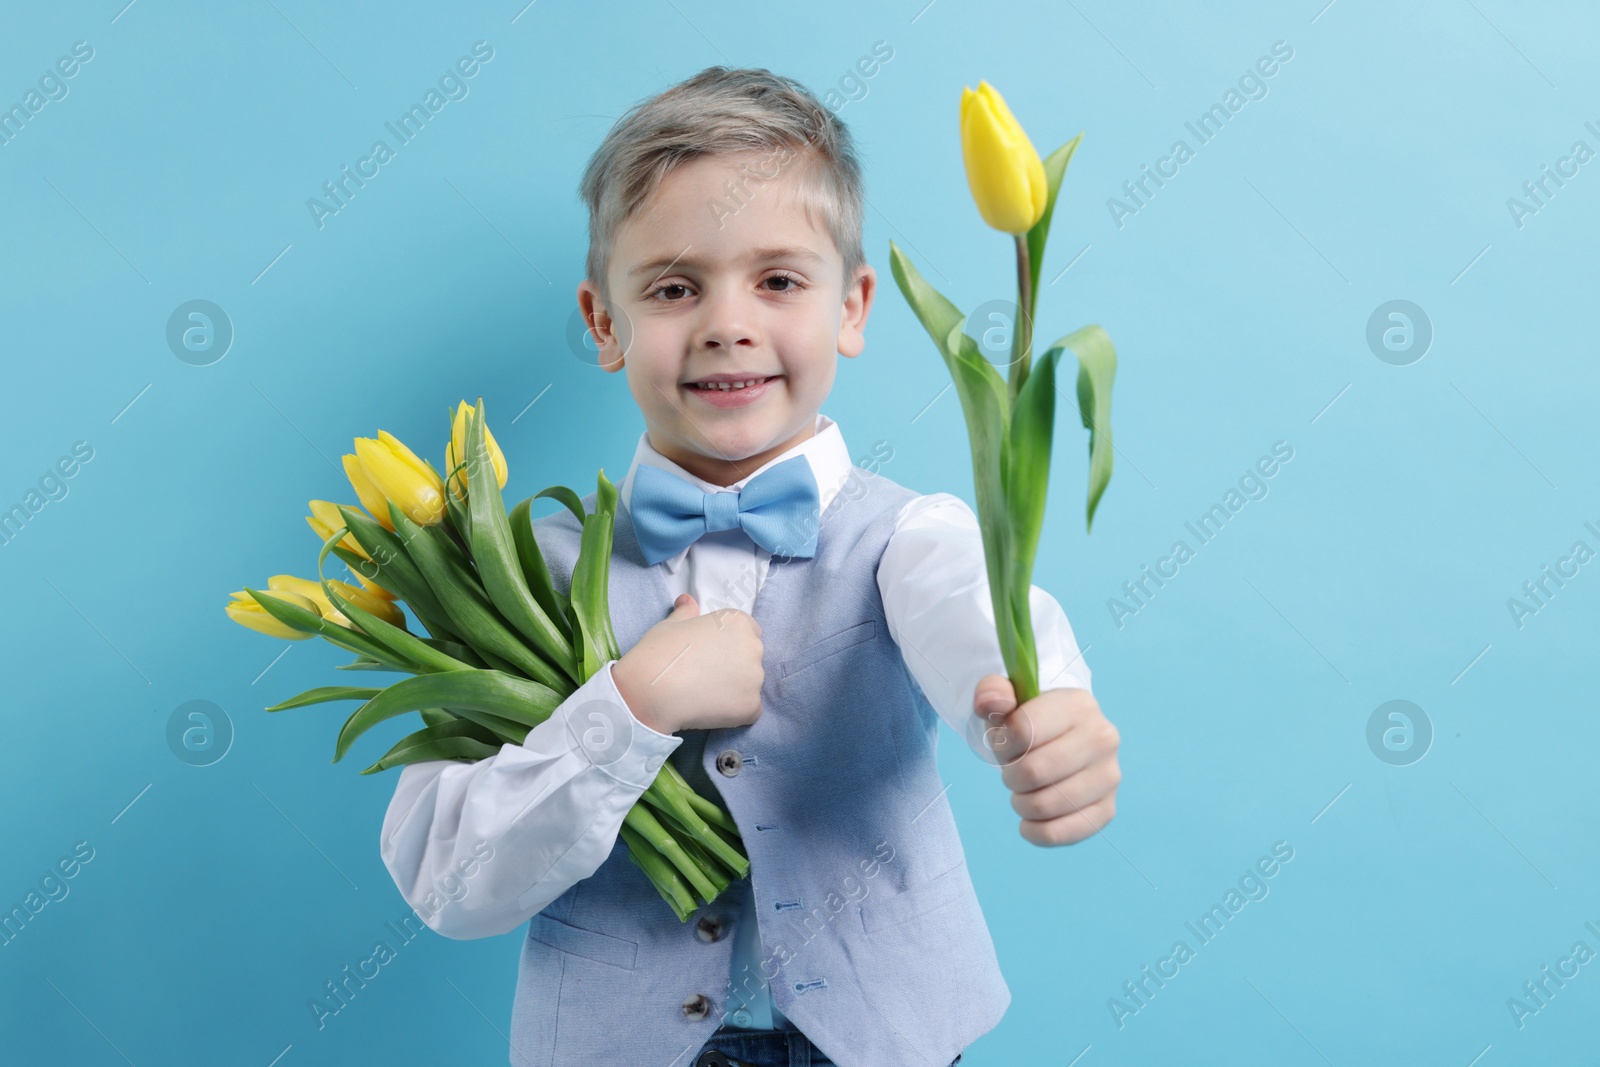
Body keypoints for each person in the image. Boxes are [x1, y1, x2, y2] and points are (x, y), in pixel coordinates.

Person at [379, 65, 1121, 1067]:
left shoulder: (908, 538)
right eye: (675, 286)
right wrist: (631, 704)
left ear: (853, 307)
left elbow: (978, 618)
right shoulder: (518, 575)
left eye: (777, 279)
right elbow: (447, 881)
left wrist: (1048, 712)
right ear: (605, 323)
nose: (728, 322)